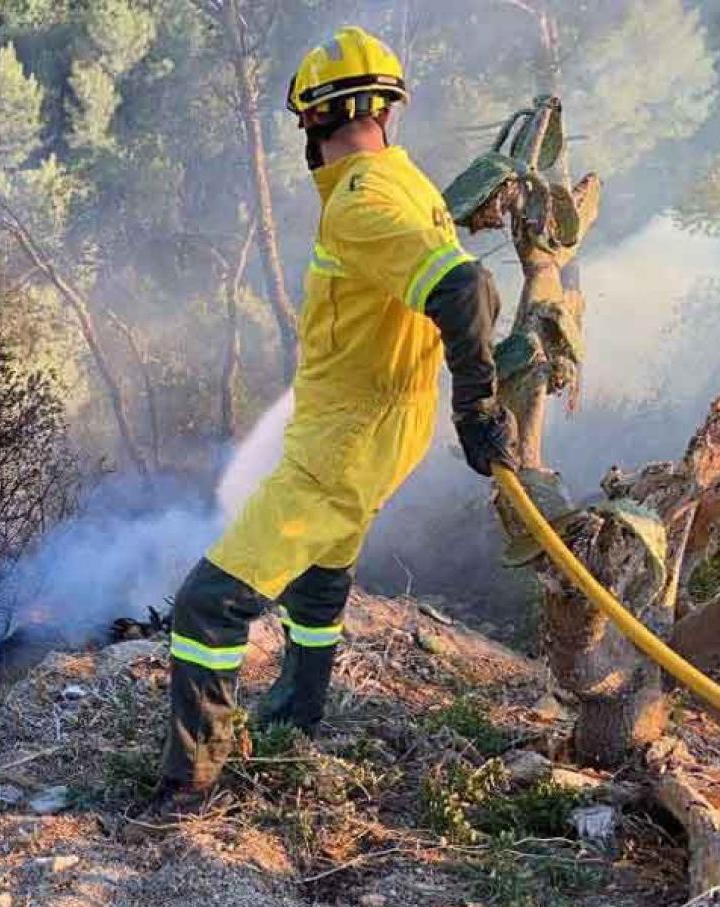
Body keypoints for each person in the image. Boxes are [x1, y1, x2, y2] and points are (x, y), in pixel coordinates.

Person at [155, 26, 517, 808]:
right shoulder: (406, 179)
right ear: (387, 109)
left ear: (312, 123)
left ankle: (191, 786)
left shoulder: (357, 201)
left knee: (208, 603)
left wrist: (477, 406)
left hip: (346, 438)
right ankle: (298, 711)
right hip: (374, 429)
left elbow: (468, 293)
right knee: (320, 581)